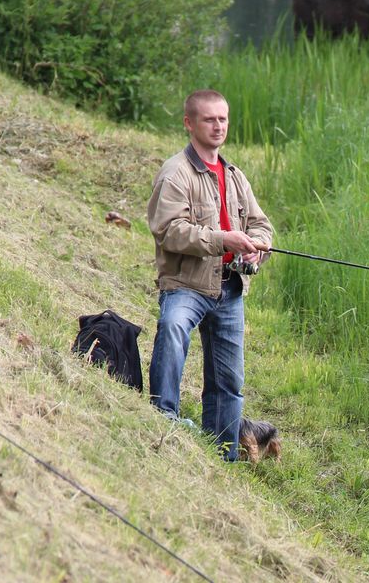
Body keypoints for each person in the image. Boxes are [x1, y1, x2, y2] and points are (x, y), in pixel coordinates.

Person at [147, 89, 273, 461]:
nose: (218, 126)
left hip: (230, 288)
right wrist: (224, 239)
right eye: (209, 119)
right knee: (172, 328)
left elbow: (261, 225)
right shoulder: (175, 173)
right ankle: (162, 418)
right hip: (186, 284)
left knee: (229, 382)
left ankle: (222, 453)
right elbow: (168, 230)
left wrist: (256, 248)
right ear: (189, 123)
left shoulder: (234, 175)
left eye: (223, 119)